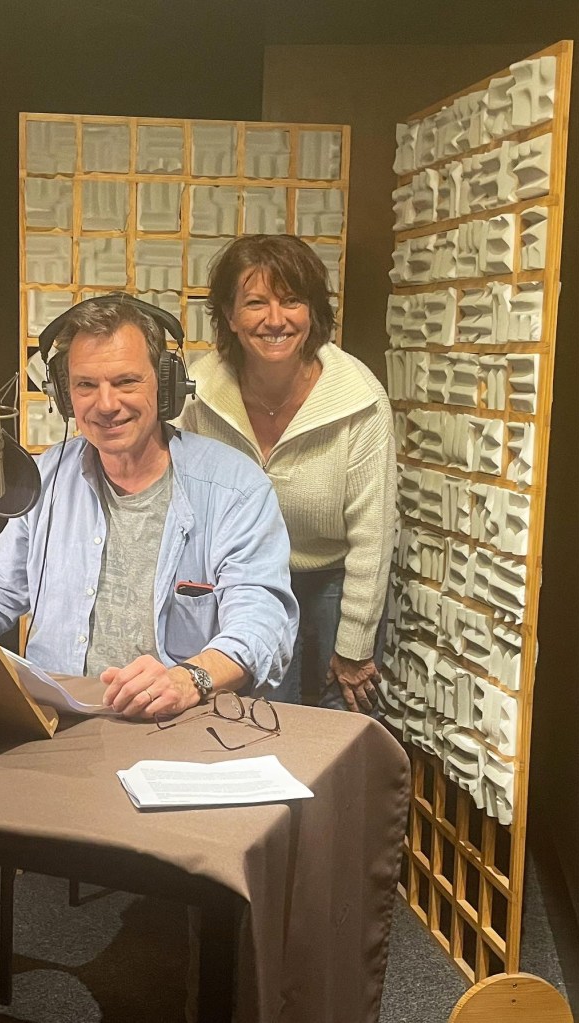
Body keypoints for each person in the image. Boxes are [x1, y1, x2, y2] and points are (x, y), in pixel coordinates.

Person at [0, 295, 298, 1023]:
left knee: (222, 866)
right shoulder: (46, 478)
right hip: (51, 722)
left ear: (166, 385)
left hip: (174, 727)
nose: (105, 403)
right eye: (86, 385)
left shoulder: (232, 485)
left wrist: (190, 675)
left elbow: (261, 618)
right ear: (63, 394)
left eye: (125, 381)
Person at [177, 234, 396, 715]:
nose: (275, 320)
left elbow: (374, 535)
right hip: (242, 576)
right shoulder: (197, 394)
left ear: (312, 311)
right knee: (261, 716)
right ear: (230, 315)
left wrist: (355, 645)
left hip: (332, 576)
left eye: (292, 300)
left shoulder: (359, 400)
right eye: (256, 303)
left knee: (346, 713)